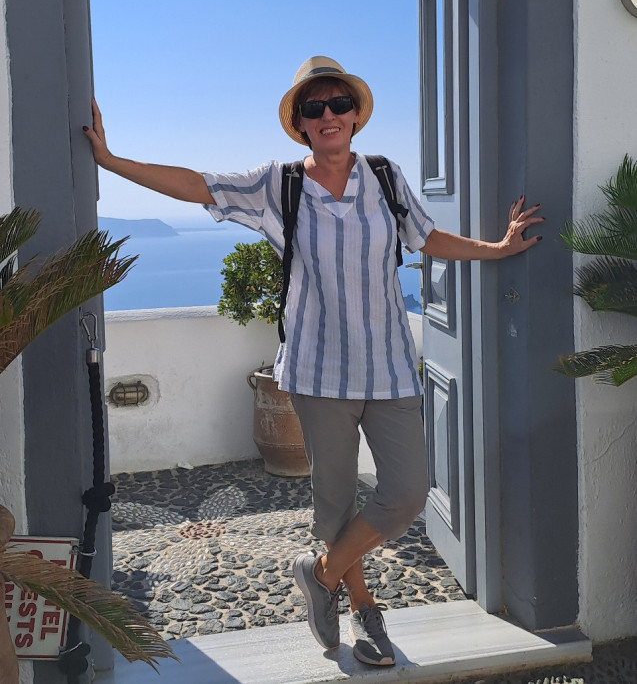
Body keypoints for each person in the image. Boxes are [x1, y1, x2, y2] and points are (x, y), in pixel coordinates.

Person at [84, 56, 542, 667]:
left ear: (355, 116)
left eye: (339, 104)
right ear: (300, 123)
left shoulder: (384, 177)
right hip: (317, 369)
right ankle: (363, 610)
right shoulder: (279, 186)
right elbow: (199, 185)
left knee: (407, 491)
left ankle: (320, 575)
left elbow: (426, 238)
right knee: (336, 499)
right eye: (314, 107)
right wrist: (113, 162)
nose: (328, 115)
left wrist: (497, 249)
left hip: (388, 366)